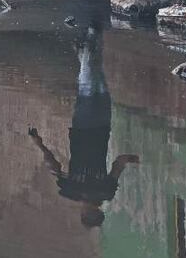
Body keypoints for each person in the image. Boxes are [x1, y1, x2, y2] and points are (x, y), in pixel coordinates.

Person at [28, 21, 139, 228]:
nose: (93, 207)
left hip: (86, 126)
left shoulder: (73, 190)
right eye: (94, 211)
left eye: (92, 211)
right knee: (97, 80)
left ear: (87, 212)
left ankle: (89, 39)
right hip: (99, 127)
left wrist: (39, 143)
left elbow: (54, 165)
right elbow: (118, 164)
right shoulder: (101, 191)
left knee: (89, 83)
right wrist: (131, 159)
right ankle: (85, 46)